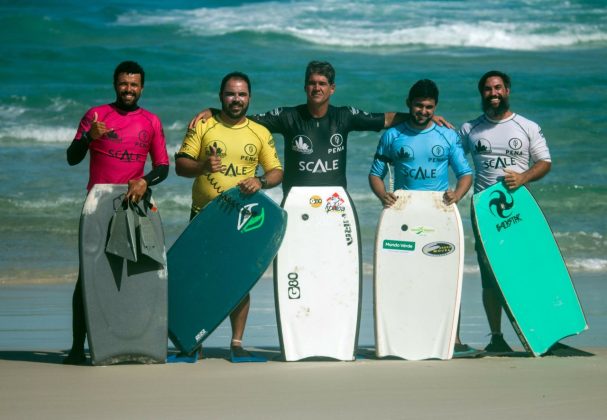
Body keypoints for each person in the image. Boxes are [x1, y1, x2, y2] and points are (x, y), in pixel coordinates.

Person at [189, 61, 451, 194]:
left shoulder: (345, 116)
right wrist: (215, 112)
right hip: (295, 201)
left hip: (335, 201)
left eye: (322, 83)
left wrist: (424, 118)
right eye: (312, 83)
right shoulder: (288, 116)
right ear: (305, 87)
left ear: (332, 88)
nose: (316, 88)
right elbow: (244, 117)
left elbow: (384, 119)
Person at [64, 61, 170, 364]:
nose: (129, 89)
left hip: (133, 202)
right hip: (98, 203)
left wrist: (143, 181)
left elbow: (162, 167)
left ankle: (133, 339)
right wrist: (89, 138)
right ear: (115, 84)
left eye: (134, 84)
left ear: (142, 87)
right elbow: (72, 158)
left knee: (135, 273)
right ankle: (77, 348)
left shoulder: (150, 121)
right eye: (124, 84)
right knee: (89, 276)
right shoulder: (96, 116)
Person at [175, 71, 283, 362]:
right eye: (231, 94)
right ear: (221, 95)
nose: (236, 99)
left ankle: (236, 343)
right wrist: (202, 166)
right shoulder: (204, 125)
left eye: (242, 94)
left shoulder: (259, 132)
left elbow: (277, 171)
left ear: (249, 97)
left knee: (239, 280)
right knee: (198, 278)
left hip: (241, 219)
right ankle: (192, 341)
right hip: (204, 216)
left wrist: (260, 181)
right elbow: (180, 165)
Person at [368, 79, 474, 355]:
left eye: (429, 107)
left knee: (444, 275)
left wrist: (457, 194)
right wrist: (383, 196)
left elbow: (465, 174)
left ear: (435, 107)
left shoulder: (447, 136)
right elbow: (375, 174)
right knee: (403, 275)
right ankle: (402, 334)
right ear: (409, 104)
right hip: (404, 213)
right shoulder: (393, 135)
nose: (423, 111)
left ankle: (454, 338)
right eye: (418, 105)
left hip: (438, 212)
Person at [459, 70, 552, 352]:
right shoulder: (470, 129)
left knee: (527, 269)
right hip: (484, 212)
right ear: (482, 93)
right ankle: (497, 337)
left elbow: (544, 161)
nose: (493, 93)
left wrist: (524, 178)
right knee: (490, 274)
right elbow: (448, 153)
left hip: (520, 210)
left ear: (508, 90)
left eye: (498, 88)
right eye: (488, 89)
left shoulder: (527, 127)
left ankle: (540, 330)